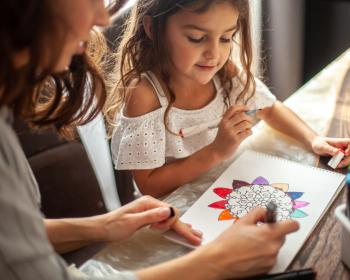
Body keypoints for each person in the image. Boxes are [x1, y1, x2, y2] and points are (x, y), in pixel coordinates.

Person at [0, 0, 299, 279]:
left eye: (226, 38)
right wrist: (216, 260)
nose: (103, 18)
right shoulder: (145, 93)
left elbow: (16, 236)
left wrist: (104, 225)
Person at [105, 0, 350, 198]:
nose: (214, 53)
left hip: (219, 187)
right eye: (196, 38)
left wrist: (314, 140)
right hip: (171, 211)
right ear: (152, 28)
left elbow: (269, 108)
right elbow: (150, 186)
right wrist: (215, 152)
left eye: (226, 38)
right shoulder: (145, 94)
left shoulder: (224, 74)